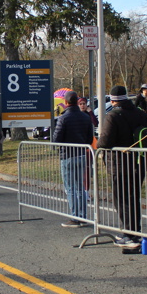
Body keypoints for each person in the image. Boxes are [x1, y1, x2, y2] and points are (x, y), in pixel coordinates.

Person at [96, 85, 147, 251]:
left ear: (113, 100)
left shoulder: (113, 115)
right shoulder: (140, 113)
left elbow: (105, 141)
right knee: (133, 198)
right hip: (139, 162)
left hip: (120, 164)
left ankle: (129, 234)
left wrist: (98, 143)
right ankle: (135, 231)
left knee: (122, 199)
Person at [52, 90, 94, 227]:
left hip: (68, 156)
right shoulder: (85, 117)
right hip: (81, 154)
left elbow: (56, 139)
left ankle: (75, 217)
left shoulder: (63, 118)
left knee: (70, 188)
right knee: (80, 187)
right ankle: (83, 216)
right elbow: (89, 138)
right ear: (77, 101)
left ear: (65, 102)